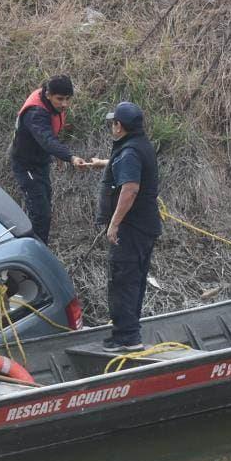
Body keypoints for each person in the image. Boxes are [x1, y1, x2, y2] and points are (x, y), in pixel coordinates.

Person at [97, 101, 161, 352]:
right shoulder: (139, 145)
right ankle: (129, 332)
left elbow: (130, 189)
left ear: (118, 126)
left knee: (123, 280)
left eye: (113, 122)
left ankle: (127, 337)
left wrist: (114, 224)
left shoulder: (129, 152)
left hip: (131, 228)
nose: (112, 126)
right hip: (145, 226)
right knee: (134, 280)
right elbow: (128, 170)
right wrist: (102, 163)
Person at [10, 75, 89, 244]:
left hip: (40, 161)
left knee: (44, 204)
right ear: (48, 95)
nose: (64, 104)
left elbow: (48, 137)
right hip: (26, 165)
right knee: (40, 212)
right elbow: (47, 139)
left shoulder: (49, 103)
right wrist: (70, 157)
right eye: (60, 99)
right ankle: (35, 252)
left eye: (68, 99)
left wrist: (57, 154)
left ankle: (36, 246)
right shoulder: (35, 113)